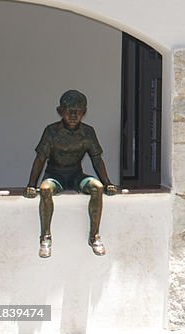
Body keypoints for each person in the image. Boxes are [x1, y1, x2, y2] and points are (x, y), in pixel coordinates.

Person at [24, 90, 117, 258]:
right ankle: (45, 237)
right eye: (69, 110)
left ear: (84, 112)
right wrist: (31, 185)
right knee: (45, 189)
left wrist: (107, 182)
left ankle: (94, 235)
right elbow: (40, 159)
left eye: (78, 111)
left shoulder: (88, 132)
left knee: (97, 187)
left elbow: (97, 159)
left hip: (75, 176)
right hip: (55, 176)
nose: (73, 115)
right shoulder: (51, 131)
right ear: (61, 111)